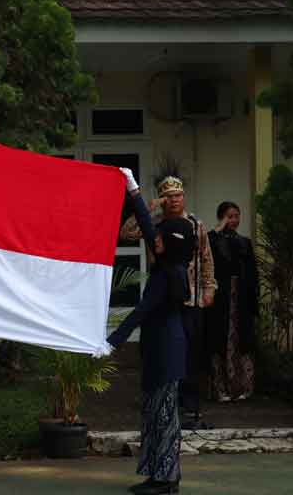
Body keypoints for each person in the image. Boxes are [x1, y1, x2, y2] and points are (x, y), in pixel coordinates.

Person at [107, 168, 193, 495]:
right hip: (158, 349)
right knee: (155, 412)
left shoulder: (167, 276)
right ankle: (159, 475)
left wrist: (112, 342)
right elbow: (143, 227)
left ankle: (167, 479)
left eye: (158, 239)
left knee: (164, 416)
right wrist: (134, 192)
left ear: (165, 246)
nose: (153, 240)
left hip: (167, 351)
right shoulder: (168, 266)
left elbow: (142, 311)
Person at [119, 174, 216, 420]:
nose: (174, 200)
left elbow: (206, 259)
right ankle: (158, 397)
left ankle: (189, 404)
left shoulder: (195, 225)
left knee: (190, 352)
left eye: (178, 195)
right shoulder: (154, 224)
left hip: (189, 296)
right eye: (169, 197)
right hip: (162, 293)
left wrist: (209, 288)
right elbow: (126, 233)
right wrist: (148, 207)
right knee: (156, 347)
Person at [206, 201, 258, 401]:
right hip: (221, 299)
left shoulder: (244, 242)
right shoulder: (213, 239)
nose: (234, 220)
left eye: (237, 215)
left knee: (242, 340)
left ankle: (243, 388)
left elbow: (253, 274)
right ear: (221, 218)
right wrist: (218, 229)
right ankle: (221, 389)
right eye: (230, 216)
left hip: (241, 298)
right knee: (220, 340)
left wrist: (253, 302)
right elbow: (206, 250)